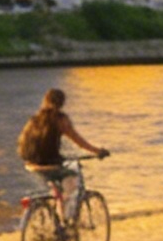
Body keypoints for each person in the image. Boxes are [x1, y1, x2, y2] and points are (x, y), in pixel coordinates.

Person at [19, 87, 108, 215]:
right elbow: (79, 141)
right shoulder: (60, 119)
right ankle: (65, 217)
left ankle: (55, 215)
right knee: (72, 178)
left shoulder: (34, 119)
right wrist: (97, 151)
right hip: (50, 165)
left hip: (31, 164)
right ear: (62, 103)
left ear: (45, 100)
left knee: (56, 186)